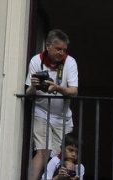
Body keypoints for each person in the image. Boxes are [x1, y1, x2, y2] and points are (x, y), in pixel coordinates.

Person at [25, 29, 79, 180]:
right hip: (41, 113)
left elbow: (74, 91)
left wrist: (57, 88)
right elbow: (28, 92)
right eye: (58, 49)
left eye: (64, 50)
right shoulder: (36, 61)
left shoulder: (70, 62)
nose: (62, 53)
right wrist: (34, 86)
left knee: (63, 156)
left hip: (63, 118)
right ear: (48, 46)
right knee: (43, 151)